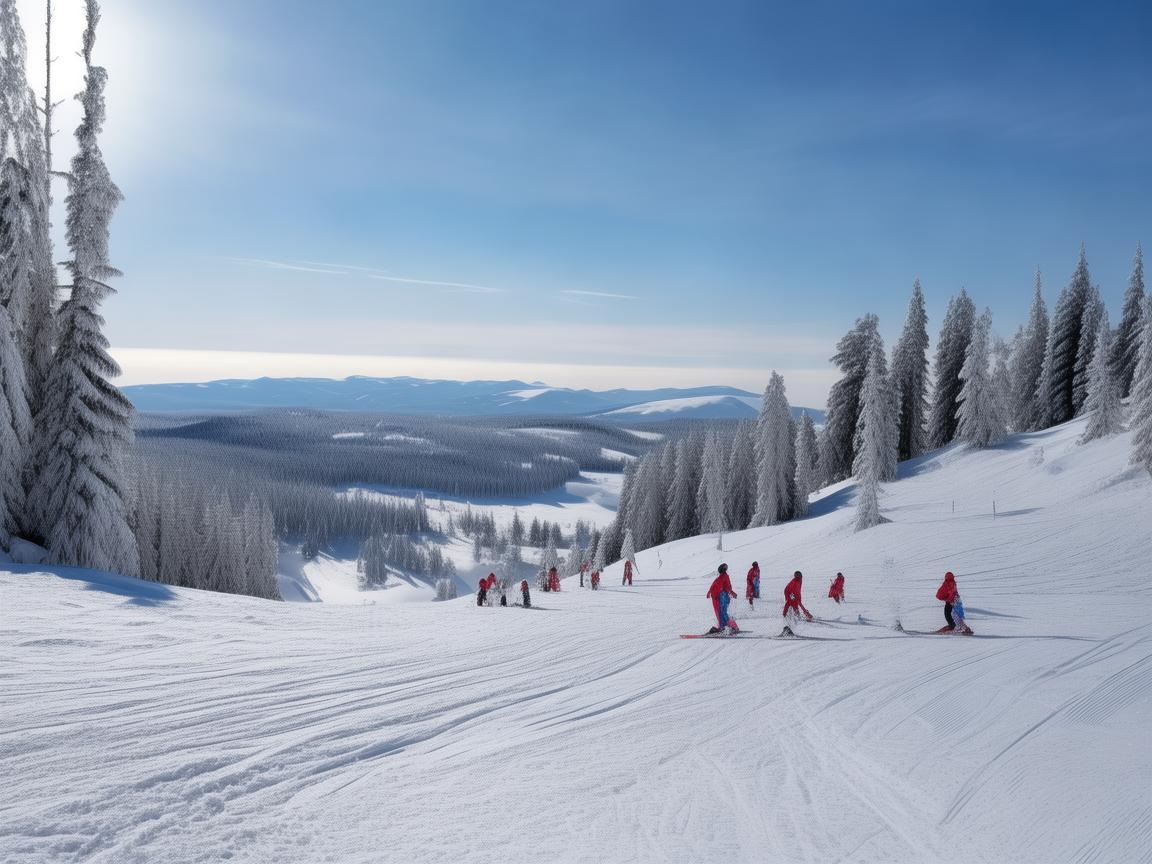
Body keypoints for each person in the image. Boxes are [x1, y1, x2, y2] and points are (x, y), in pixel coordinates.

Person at [706, 564, 739, 634]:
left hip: (722, 596)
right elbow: (726, 587)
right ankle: (726, 626)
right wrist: (731, 592)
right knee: (723, 612)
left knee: (722, 612)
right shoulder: (725, 576)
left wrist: (714, 595)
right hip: (725, 596)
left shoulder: (722, 577)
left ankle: (729, 627)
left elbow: (718, 586)